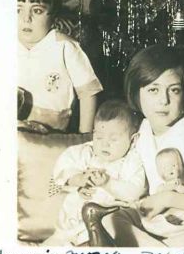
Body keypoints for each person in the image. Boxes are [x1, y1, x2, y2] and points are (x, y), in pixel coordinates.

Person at [101, 44, 184, 247]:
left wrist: (168, 198)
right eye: (153, 90)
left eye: (174, 90)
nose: (164, 100)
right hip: (161, 221)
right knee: (111, 220)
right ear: (137, 94)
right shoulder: (142, 129)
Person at [44, 100, 146, 246]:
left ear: (133, 140)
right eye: (99, 137)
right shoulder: (87, 152)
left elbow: (135, 191)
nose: (105, 144)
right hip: (71, 223)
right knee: (55, 244)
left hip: (107, 223)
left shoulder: (131, 161)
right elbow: (63, 167)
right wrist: (78, 179)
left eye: (113, 139)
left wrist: (107, 183)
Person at [18, 0, 102, 133]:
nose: (26, 19)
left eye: (37, 11)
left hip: (51, 134)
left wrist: (85, 136)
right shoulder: (6, 46)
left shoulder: (64, 47)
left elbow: (88, 93)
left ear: (53, 17)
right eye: (18, 10)